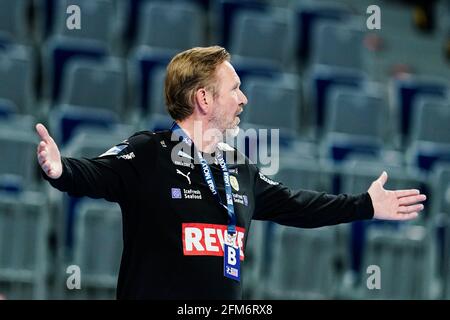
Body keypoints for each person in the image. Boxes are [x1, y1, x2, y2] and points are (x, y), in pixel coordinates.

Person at [35, 46, 426, 300]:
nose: (244, 98)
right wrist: (59, 168)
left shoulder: (238, 167)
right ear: (203, 98)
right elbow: (95, 173)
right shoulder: (149, 153)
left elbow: (300, 206)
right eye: (234, 88)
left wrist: (365, 205)